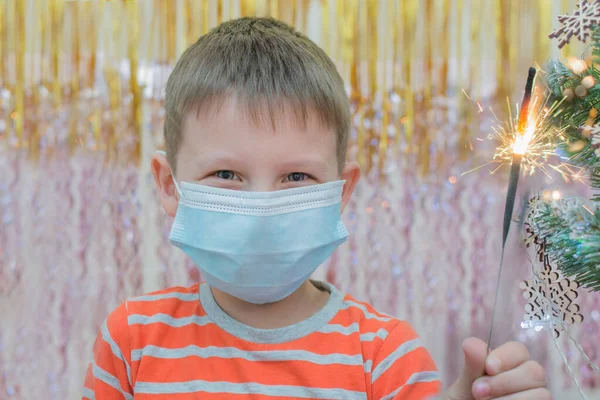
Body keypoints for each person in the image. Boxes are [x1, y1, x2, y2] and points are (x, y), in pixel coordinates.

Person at [83, 17, 551, 400]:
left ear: (341, 192)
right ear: (169, 185)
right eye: (226, 175)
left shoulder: (384, 357)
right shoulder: (132, 342)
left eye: (296, 177)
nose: (263, 209)